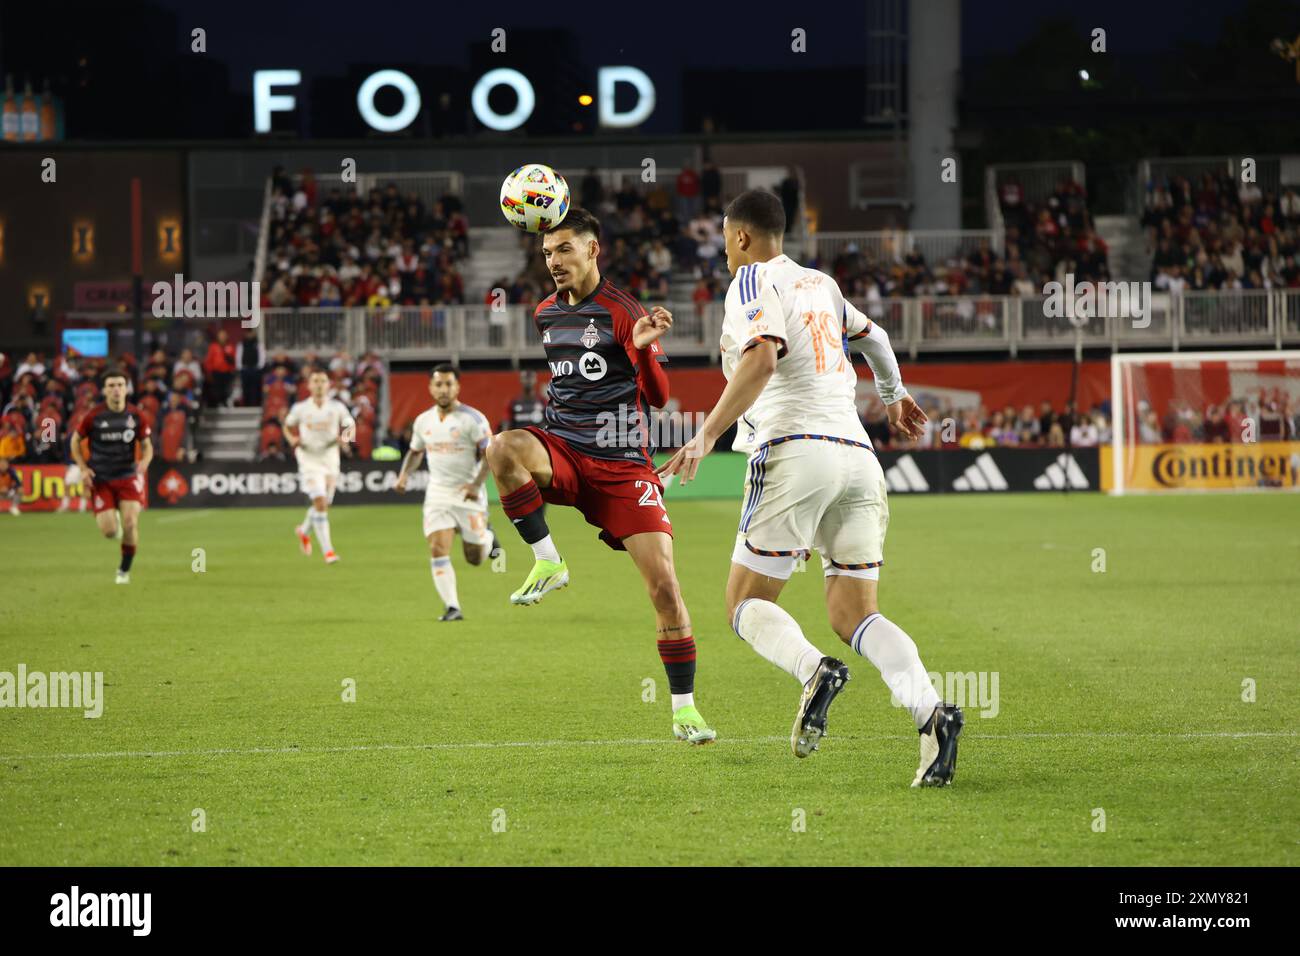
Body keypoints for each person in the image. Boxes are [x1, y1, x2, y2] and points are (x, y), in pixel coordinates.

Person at [658, 189, 963, 786]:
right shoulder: (823, 284)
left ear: (742, 237)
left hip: (794, 452)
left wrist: (704, 436)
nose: (723, 250)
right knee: (855, 613)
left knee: (745, 605)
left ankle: (813, 671)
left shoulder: (749, 281)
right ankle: (932, 715)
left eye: (724, 238)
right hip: (857, 458)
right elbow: (873, 338)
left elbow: (763, 359)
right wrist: (894, 396)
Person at [484, 207, 716, 745]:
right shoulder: (544, 312)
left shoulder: (622, 310)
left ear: (593, 249)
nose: (553, 261)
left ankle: (684, 709)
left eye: (564, 249)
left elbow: (657, 398)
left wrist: (640, 348)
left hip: (621, 464)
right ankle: (548, 562)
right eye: (546, 253)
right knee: (501, 448)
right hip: (562, 447)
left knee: (664, 589)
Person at [395, 365, 501, 622]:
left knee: (474, 558)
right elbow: (415, 451)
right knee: (437, 548)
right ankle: (452, 607)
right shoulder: (423, 421)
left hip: (469, 495)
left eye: (448, 384)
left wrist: (476, 485)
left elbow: (491, 454)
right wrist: (404, 474)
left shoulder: (473, 419)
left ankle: (488, 536)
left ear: (457, 387)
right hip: (438, 495)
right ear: (431, 388)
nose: (444, 389)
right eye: (439, 384)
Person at [70, 369, 153, 584]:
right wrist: (82, 468)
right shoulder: (94, 416)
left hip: (127, 476)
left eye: (120, 385)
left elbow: (147, 446)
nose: (116, 389)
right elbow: (74, 441)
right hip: (102, 479)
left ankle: (124, 570)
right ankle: (112, 520)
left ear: (126, 388)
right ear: (104, 390)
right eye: (111, 386)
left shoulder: (136, 415)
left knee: (131, 523)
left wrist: (143, 463)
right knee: (109, 532)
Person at [284, 368, 355, 565]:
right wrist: (292, 439)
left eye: (322, 381)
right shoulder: (300, 408)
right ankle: (328, 552)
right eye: (315, 381)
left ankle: (303, 531)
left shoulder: (337, 407)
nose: (319, 385)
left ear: (328, 385)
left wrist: (345, 439)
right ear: (308, 386)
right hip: (308, 459)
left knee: (324, 504)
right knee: (321, 503)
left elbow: (350, 424)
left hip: (330, 459)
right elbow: (287, 425)